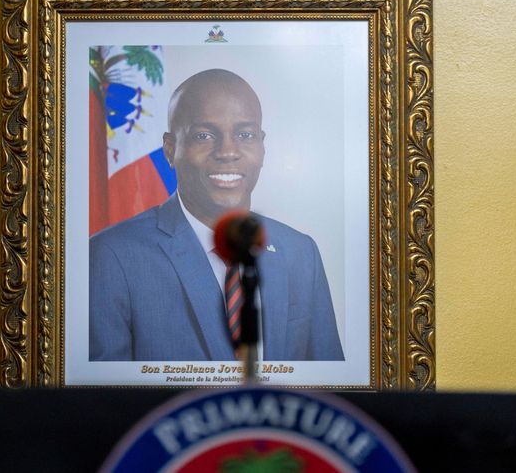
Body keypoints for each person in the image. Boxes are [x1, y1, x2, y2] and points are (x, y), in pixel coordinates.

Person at [88, 69, 343, 361]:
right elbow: (104, 401)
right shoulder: (110, 257)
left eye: (245, 135)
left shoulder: (300, 252)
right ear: (170, 150)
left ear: (262, 147)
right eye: (204, 135)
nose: (227, 151)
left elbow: (330, 390)